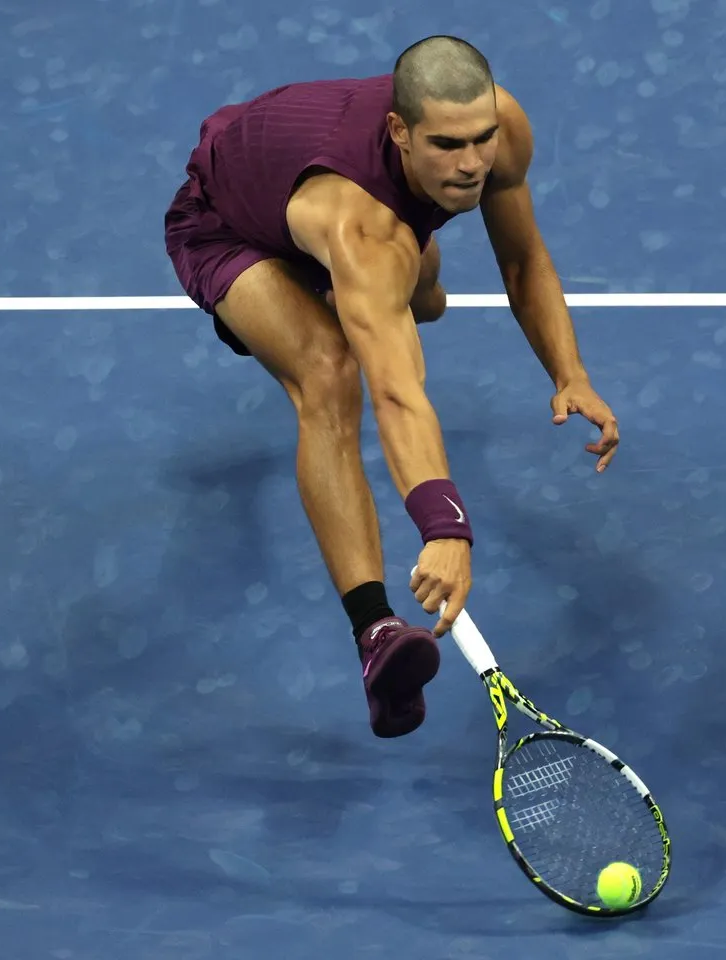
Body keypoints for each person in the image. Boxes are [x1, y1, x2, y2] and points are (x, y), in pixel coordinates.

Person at [163, 35, 620, 739]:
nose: (470, 165)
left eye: (480, 139)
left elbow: (523, 258)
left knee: (422, 292)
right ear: (399, 132)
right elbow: (398, 392)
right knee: (330, 371)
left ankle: (386, 295)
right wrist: (445, 528)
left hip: (337, 209)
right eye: (445, 145)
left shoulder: (501, 130)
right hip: (229, 225)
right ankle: (373, 632)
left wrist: (570, 373)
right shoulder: (365, 232)